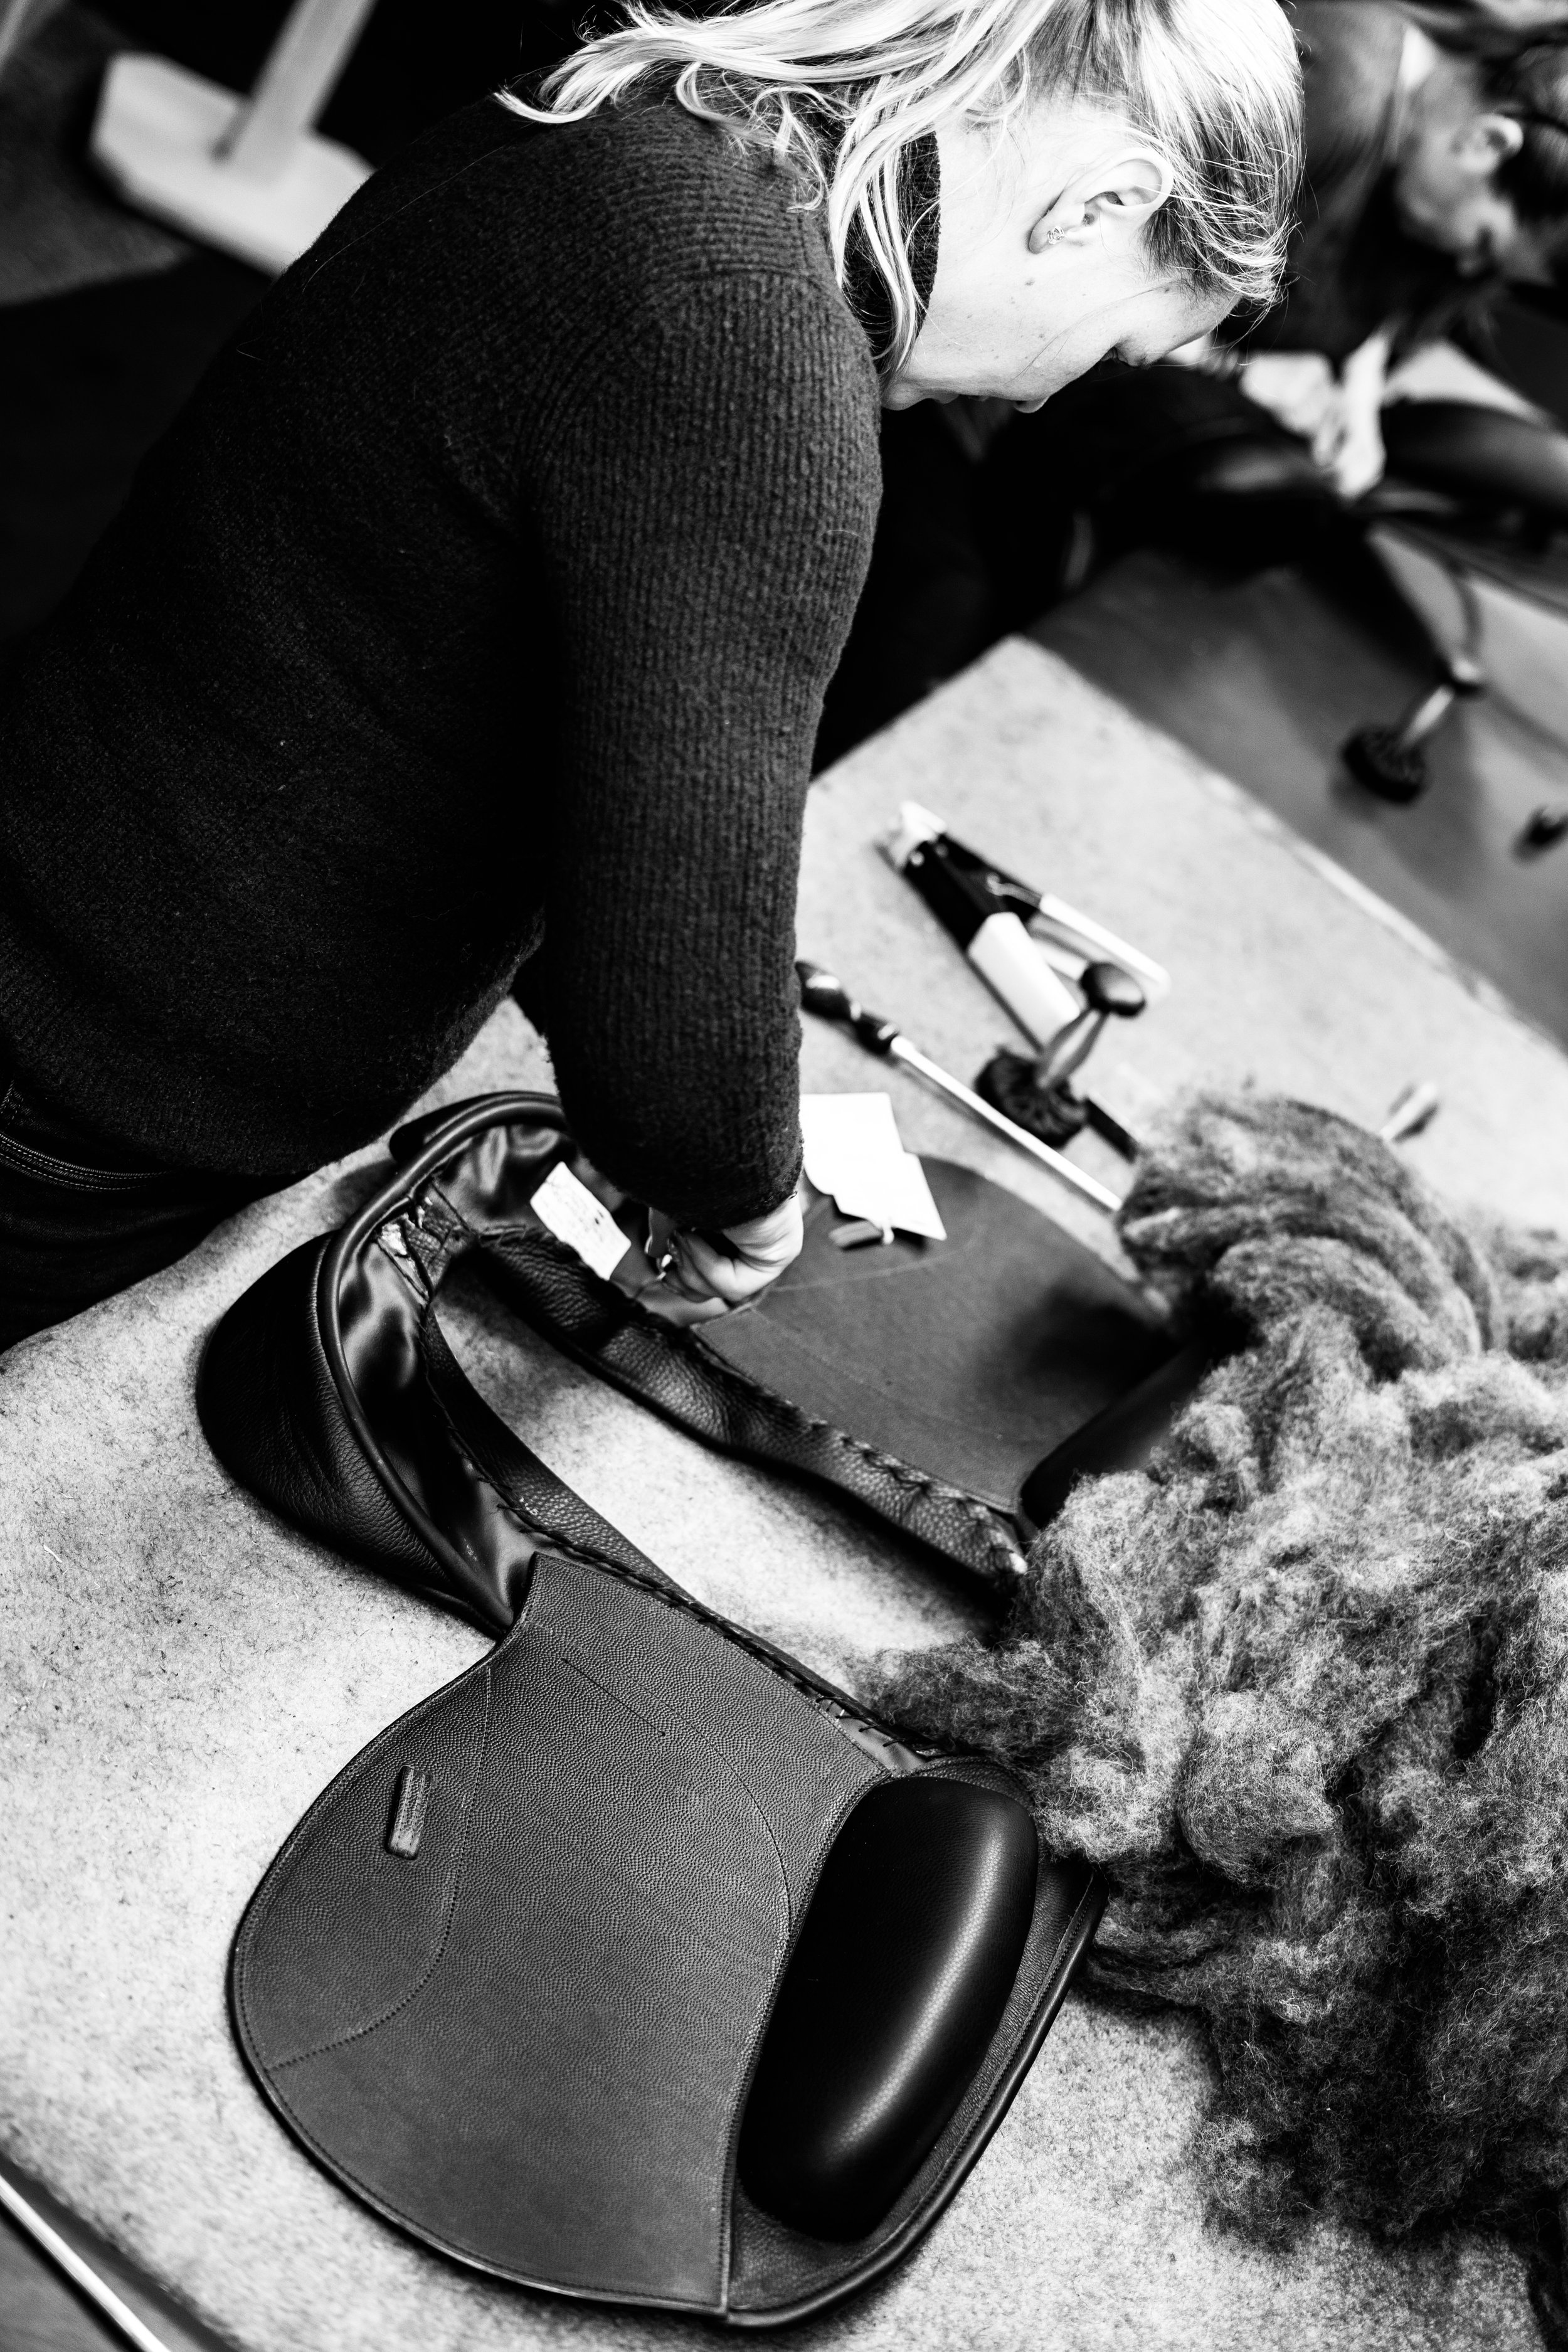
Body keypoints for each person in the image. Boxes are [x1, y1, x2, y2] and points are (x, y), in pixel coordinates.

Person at [0, 0, 1300, 1349]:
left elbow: (523, 716)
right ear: (1098, 204)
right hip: (92, 1081)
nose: (1043, 399)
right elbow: (674, 957)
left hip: (69, 879)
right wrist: (739, 1185)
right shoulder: (762, 356)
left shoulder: (658, 125)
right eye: (1115, 350)